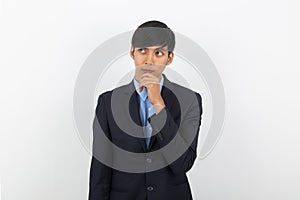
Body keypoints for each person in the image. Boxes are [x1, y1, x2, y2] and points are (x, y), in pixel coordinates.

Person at [88, 20, 203, 200]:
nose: (149, 61)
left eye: (158, 53)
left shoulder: (190, 100)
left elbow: (182, 164)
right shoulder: (108, 102)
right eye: (143, 51)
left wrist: (158, 104)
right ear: (132, 52)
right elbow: (100, 171)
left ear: (169, 58)